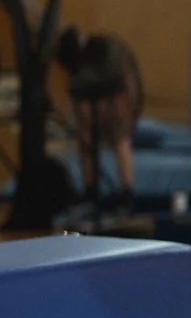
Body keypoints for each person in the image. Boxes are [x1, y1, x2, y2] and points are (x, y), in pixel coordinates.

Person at [55, 27, 138, 204]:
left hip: (117, 99)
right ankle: (93, 191)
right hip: (110, 98)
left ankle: (125, 191)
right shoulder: (81, 68)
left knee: (120, 141)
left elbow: (125, 84)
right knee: (90, 144)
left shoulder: (106, 51)